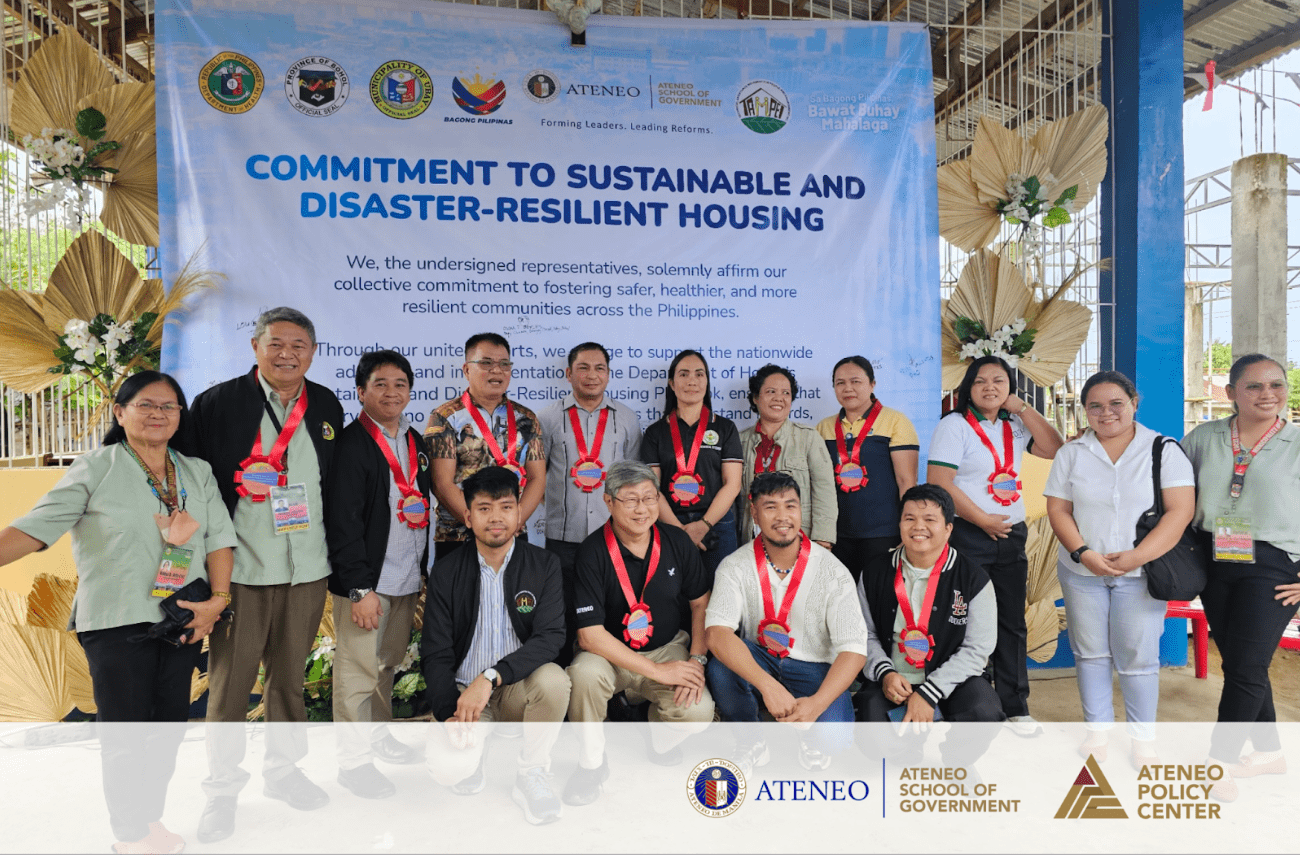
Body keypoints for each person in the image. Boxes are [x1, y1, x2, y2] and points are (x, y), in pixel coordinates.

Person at [0, 371, 236, 855]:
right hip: (115, 621)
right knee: (126, 733)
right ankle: (129, 835)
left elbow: (219, 540)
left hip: (183, 618)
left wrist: (218, 601)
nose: (157, 414)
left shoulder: (196, 471)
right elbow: (34, 528)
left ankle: (148, 819)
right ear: (120, 412)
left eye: (168, 406)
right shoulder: (96, 467)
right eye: (146, 405)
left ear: (179, 416)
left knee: (167, 728)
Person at [177, 306, 344, 842]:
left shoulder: (325, 404)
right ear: (255, 347)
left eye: (299, 344)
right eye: (275, 343)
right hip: (242, 568)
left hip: (307, 567)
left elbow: (332, 486)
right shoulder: (218, 403)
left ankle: (284, 773)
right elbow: (193, 485)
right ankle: (222, 791)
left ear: (313, 352)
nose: (286, 353)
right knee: (229, 685)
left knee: (289, 680)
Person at [1044, 371, 1194, 765]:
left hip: (1141, 573)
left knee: (1138, 657)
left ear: (1134, 403)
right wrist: (1083, 553)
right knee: (1090, 653)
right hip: (1082, 573)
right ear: (1085, 411)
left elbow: (1180, 512)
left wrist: (1137, 556)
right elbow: (1058, 509)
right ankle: (1098, 733)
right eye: (1095, 405)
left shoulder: (1163, 449)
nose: (1106, 412)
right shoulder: (1071, 454)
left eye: (1116, 404)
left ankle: (1143, 739)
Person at [421, 467, 570, 825]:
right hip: (464, 694)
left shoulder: (544, 564)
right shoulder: (446, 571)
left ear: (519, 514)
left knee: (554, 680)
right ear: (468, 517)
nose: (496, 518)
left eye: (505, 507)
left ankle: (532, 772)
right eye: (484, 509)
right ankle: (474, 750)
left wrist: (490, 677)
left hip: (514, 686)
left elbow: (551, 638)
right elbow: (436, 652)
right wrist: (447, 715)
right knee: (449, 768)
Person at [1182, 354, 1300, 801]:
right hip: (1215, 557)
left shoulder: (1297, 441)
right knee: (1241, 663)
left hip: (1274, 566)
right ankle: (1269, 751)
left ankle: (1221, 762)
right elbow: (1176, 492)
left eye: (1276, 385)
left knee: (1247, 666)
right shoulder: (1203, 437)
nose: (1268, 394)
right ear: (1231, 393)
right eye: (1254, 387)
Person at [563, 460, 715, 805]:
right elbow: (589, 636)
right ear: (609, 501)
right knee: (583, 674)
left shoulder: (676, 541)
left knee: (697, 711)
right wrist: (657, 672)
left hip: (667, 649)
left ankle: (657, 735)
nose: (642, 508)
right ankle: (590, 764)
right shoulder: (591, 552)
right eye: (630, 499)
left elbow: (699, 605)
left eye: (649, 498)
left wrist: (696, 658)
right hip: (609, 654)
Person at [926, 355, 1063, 734]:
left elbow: (1054, 447)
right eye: (981, 381)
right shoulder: (954, 426)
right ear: (968, 388)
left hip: (1011, 536)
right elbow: (939, 481)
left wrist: (1022, 408)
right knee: (959, 620)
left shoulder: (1015, 425)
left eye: (999, 381)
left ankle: (1014, 705)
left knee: (1011, 622)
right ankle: (956, 701)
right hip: (969, 534)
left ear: (1009, 389)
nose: (990, 387)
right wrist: (981, 519)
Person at [705, 472, 866, 776]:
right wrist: (768, 686)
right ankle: (751, 740)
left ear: (801, 510)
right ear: (754, 512)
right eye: (770, 507)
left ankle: (812, 740)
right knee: (721, 665)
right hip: (762, 660)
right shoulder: (735, 565)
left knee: (834, 739)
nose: (782, 517)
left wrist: (818, 703)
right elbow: (716, 634)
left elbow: (854, 649)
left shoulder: (833, 570)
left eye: (790, 506)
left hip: (815, 667)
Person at [326, 350, 434, 799]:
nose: (392, 392)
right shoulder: (351, 445)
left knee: (387, 664)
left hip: (406, 577)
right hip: (367, 583)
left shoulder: (416, 442)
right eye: (381, 384)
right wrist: (358, 588)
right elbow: (343, 521)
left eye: (400, 384)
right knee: (356, 672)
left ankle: (377, 735)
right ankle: (353, 764)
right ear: (361, 391)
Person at [854, 484, 1003, 767]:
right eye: (909, 518)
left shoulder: (973, 578)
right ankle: (906, 748)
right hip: (895, 680)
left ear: (948, 528)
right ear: (899, 524)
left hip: (952, 681)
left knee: (983, 713)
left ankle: (956, 761)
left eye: (930, 520)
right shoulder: (875, 571)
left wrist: (930, 692)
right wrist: (884, 673)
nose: (918, 527)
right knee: (873, 739)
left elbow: (978, 648)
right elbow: (865, 634)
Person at [538, 342, 642, 664]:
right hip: (562, 538)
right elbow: (536, 476)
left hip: (612, 537)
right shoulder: (548, 418)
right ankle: (562, 688)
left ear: (609, 375)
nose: (591, 375)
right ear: (569, 373)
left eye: (599, 368)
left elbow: (633, 478)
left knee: (612, 612)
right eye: (583, 367)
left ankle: (612, 691)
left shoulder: (625, 418)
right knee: (564, 617)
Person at [425, 333, 546, 561]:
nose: (497, 371)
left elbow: (537, 478)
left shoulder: (527, 418)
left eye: (504, 364)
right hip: (458, 538)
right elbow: (442, 483)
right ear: (467, 369)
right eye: (486, 363)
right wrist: (483, 525)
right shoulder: (445, 417)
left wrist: (512, 523)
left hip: (511, 535)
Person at [815, 356, 920, 584]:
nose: (848, 388)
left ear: (872, 384)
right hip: (837, 536)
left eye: (856, 381)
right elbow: (818, 485)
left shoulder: (895, 421)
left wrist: (908, 527)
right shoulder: (823, 427)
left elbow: (906, 481)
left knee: (879, 601)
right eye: (840, 383)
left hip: (884, 533)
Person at [640, 349, 742, 578]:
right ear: (671, 383)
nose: (692, 381)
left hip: (717, 525)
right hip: (669, 526)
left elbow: (733, 484)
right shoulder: (655, 433)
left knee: (721, 598)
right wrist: (680, 532)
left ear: (707, 381)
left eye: (699, 374)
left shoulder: (725, 428)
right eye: (683, 374)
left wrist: (703, 525)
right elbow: (650, 489)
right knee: (674, 602)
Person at [738, 364, 837, 549]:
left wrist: (823, 540)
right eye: (771, 391)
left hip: (800, 540)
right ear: (755, 398)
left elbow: (825, 492)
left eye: (786, 393)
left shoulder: (808, 437)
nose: (779, 398)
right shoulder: (739, 441)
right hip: (751, 541)